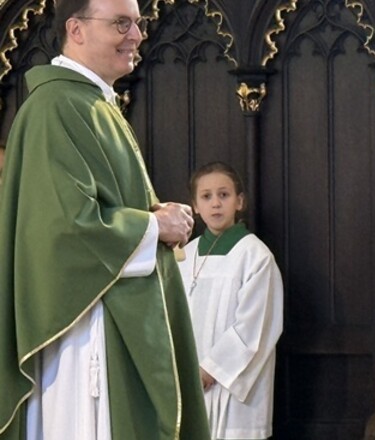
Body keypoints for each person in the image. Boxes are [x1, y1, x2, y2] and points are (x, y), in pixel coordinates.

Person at [0, 0, 210, 438]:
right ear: (76, 30)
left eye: (137, 23)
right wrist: (156, 226)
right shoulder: (56, 106)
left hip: (104, 316)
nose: (137, 35)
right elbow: (64, 229)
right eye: (121, 23)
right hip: (82, 332)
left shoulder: (91, 103)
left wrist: (153, 217)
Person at [177, 162, 284, 440]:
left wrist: (209, 371)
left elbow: (255, 327)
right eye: (206, 196)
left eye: (223, 195)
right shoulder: (183, 256)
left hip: (232, 388)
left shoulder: (255, 256)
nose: (215, 203)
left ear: (240, 201)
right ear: (195, 206)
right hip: (188, 382)